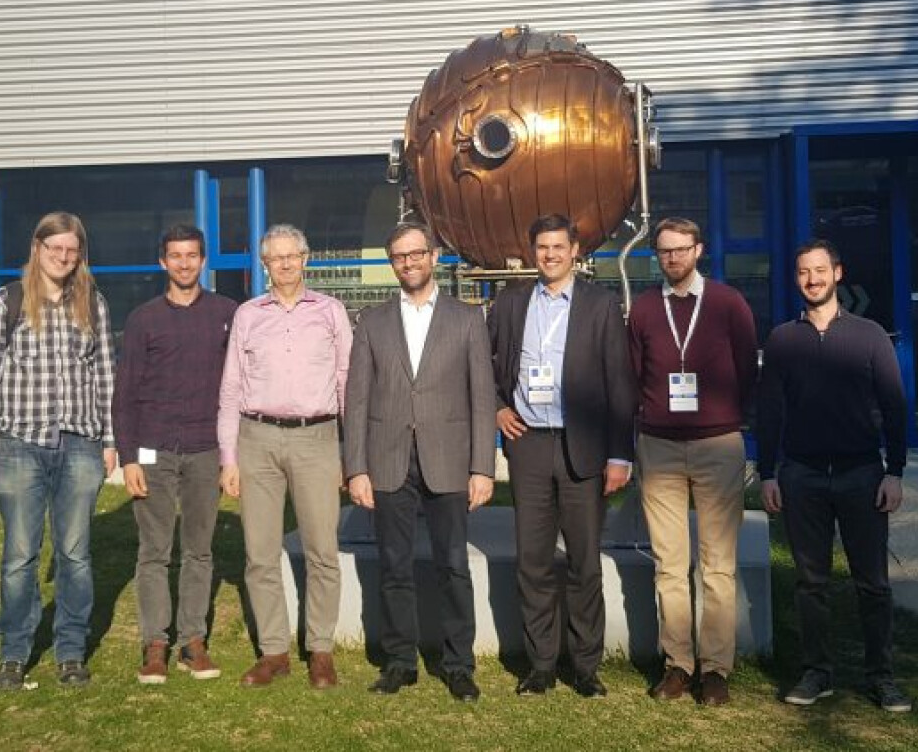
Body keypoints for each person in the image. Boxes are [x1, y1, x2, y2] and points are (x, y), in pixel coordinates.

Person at [757, 239, 911, 712]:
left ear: (837, 274)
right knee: (811, 583)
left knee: (873, 584)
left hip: (862, 474)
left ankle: (881, 676)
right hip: (802, 476)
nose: (812, 279)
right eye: (804, 272)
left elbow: (894, 406)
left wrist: (895, 472)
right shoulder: (783, 339)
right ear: (797, 278)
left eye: (820, 270)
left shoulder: (869, 336)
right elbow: (769, 411)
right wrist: (767, 474)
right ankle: (816, 672)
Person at [344, 221, 495, 703]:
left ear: (433, 256)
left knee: (453, 565)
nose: (408, 263)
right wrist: (356, 468)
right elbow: (358, 398)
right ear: (392, 263)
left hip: (449, 459)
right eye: (398, 257)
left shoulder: (467, 319)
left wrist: (482, 467)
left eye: (415, 254)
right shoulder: (371, 320)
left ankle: (458, 664)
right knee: (393, 566)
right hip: (387, 460)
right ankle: (400, 661)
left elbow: (482, 398)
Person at [488, 214, 638, 698]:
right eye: (542, 247)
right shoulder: (510, 304)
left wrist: (620, 455)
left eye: (558, 246)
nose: (550, 255)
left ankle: (586, 665)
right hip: (529, 446)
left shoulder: (600, 305)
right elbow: (487, 367)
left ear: (575, 250)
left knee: (583, 563)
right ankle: (541, 664)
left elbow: (620, 383)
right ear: (532, 252)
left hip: (584, 448)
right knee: (532, 561)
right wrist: (495, 409)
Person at [627, 217, 757, 705]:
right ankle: (678, 664)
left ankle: (717, 670)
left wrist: (727, 417)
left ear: (699, 250)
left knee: (718, 566)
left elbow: (747, 369)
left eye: (681, 249)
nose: (672, 258)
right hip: (658, 445)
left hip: (718, 444)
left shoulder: (728, 304)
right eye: (664, 251)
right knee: (669, 564)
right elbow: (634, 373)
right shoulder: (642, 309)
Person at [218, 224, 352, 689]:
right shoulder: (248, 315)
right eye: (276, 258)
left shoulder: (332, 312)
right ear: (265, 266)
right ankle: (273, 651)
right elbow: (231, 386)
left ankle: (320, 650)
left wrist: (347, 453)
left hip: (316, 439)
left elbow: (346, 382)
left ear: (306, 258)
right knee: (259, 553)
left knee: (322, 551)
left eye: (293, 255)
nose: (286, 264)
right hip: (257, 439)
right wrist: (229, 456)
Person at [0, 211, 117, 691]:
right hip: (18, 444)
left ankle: (70, 650)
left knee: (75, 555)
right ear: (37, 248)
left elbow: (106, 375)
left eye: (72, 251)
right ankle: (14, 652)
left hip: (79, 445)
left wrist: (110, 442)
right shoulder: (7, 303)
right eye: (55, 249)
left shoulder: (93, 303)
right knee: (21, 556)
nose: (64, 258)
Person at [113, 224, 237, 685]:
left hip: (206, 447)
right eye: (175, 256)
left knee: (199, 550)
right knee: (154, 551)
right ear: (162, 262)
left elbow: (237, 387)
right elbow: (124, 395)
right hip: (153, 448)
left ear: (204, 261)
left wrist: (232, 456)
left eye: (192, 255)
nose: (184, 263)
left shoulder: (227, 313)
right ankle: (155, 644)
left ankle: (192, 639)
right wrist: (128, 457)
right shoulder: (144, 319)